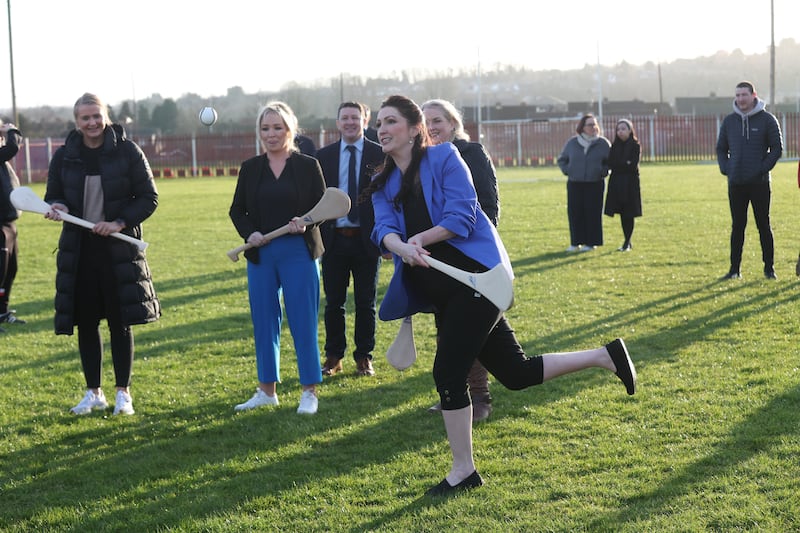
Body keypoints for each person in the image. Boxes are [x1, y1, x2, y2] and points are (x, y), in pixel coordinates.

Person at [365, 95, 637, 497]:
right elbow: (382, 228)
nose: (382, 130)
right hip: (442, 292)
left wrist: (420, 238)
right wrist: (398, 244)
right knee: (516, 373)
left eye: (391, 122)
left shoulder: (446, 159)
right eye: (380, 124)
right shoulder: (382, 180)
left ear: (414, 127)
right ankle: (605, 355)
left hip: (477, 282)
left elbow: (463, 214)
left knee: (448, 373)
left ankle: (463, 471)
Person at [44, 93, 160, 416]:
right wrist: (58, 207)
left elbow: (149, 197)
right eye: (86, 118)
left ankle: (123, 393)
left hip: (119, 249)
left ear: (106, 116)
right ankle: (94, 392)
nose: (92, 123)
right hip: (79, 251)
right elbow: (54, 195)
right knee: (86, 323)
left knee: (121, 323)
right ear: (77, 122)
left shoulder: (128, 152)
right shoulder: (65, 156)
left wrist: (119, 222)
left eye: (97, 116)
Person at [229, 101, 326, 415]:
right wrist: (250, 234)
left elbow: (322, 209)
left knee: (303, 321)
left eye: (278, 128)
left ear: (290, 129)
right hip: (261, 256)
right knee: (265, 321)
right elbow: (237, 210)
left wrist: (306, 222)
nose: (271, 134)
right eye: (265, 128)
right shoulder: (250, 168)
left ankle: (309, 391)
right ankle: (266, 390)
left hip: (299, 253)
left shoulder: (308, 166)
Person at [421, 98, 499, 422]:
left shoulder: (472, 153)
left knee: (473, 328)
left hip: (471, 255)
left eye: (437, 120)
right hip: (437, 257)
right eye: (425, 122)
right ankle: (452, 395)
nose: (432, 127)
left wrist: (480, 253)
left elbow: (488, 207)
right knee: (446, 327)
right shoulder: (422, 159)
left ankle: (480, 395)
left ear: (453, 123)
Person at [316, 102, 384, 377]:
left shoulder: (379, 153)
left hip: (366, 240)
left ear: (365, 121)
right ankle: (333, 356)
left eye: (355, 118)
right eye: (345, 118)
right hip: (334, 240)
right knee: (334, 302)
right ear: (337, 122)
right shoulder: (324, 156)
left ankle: (364, 357)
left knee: (366, 302)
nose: (350, 122)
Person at [716, 81, 783, 280]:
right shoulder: (729, 121)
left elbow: (777, 148)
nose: (740, 99)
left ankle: (769, 269)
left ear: (754, 95)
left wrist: (761, 169)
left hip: (759, 183)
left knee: (763, 224)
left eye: (744, 95)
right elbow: (721, 148)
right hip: (736, 183)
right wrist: (726, 168)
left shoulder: (767, 119)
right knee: (737, 226)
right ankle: (734, 270)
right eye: (737, 95)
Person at [557, 114, 610, 252]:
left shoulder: (603, 144)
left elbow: (609, 162)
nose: (593, 127)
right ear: (582, 127)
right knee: (575, 213)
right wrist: (568, 171)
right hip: (575, 183)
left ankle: (592, 242)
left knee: (593, 213)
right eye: (590, 124)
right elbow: (562, 159)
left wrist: (602, 172)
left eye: (594, 124)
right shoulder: (572, 143)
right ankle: (576, 242)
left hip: (595, 183)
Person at [603, 119, 642, 252]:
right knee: (621, 212)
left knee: (629, 212)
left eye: (623, 129)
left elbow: (632, 166)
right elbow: (611, 163)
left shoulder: (635, 146)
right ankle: (626, 241)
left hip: (630, 183)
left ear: (630, 130)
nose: (620, 132)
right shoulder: (614, 146)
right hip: (616, 183)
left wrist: (622, 164)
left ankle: (627, 241)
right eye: (618, 129)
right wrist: (623, 164)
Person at [0, 121, 24, 329]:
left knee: (10, 270)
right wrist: (12, 131)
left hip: (9, 223)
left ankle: (3, 312)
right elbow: (12, 147)